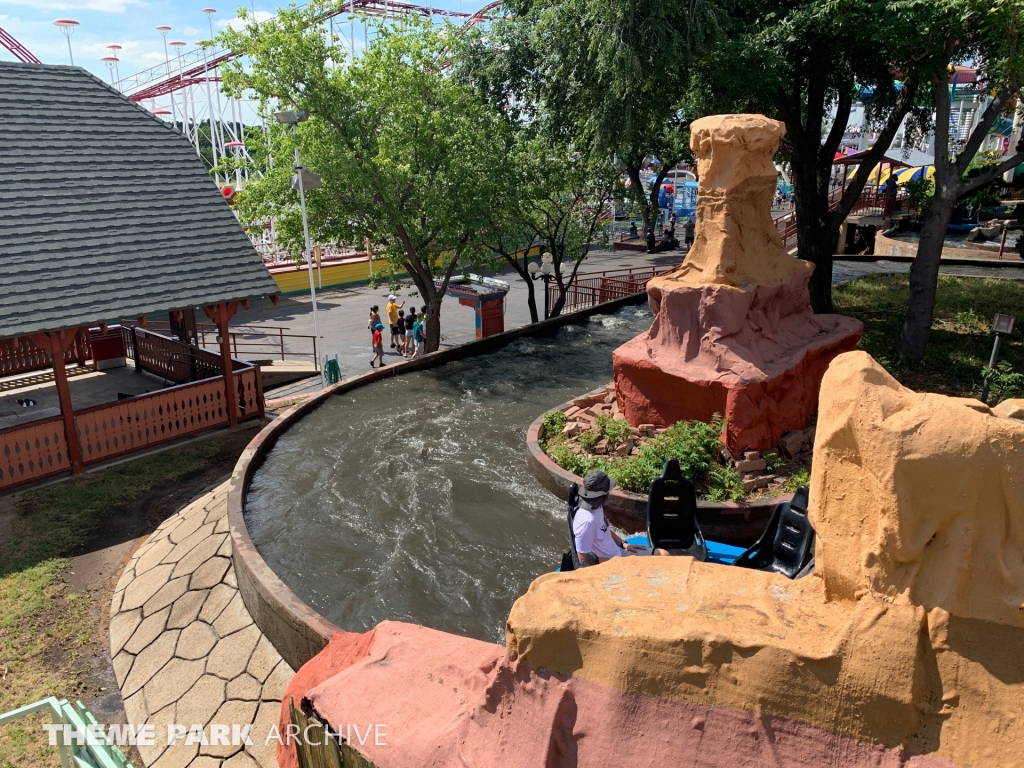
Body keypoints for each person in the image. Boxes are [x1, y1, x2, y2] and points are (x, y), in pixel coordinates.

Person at [572, 470, 666, 565]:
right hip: (610, 564)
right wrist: (616, 563)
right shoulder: (586, 522)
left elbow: (604, 529)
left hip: (618, 554)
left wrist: (624, 544)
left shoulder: (596, 506)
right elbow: (583, 559)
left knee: (663, 555)